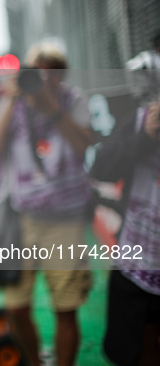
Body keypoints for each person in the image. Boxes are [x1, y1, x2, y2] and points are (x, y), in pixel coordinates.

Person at [0, 43, 93, 366]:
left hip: (65, 219)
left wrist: (52, 108)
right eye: (37, 72)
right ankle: (34, 362)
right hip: (21, 219)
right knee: (15, 307)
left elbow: (84, 145)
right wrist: (13, 97)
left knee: (66, 306)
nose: (44, 79)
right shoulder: (12, 103)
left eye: (52, 72)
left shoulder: (73, 100)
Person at [88, 100, 160, 364]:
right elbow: (102, 169)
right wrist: (146, 137)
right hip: (135, 261)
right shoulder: (143, 118)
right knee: (131, 349)